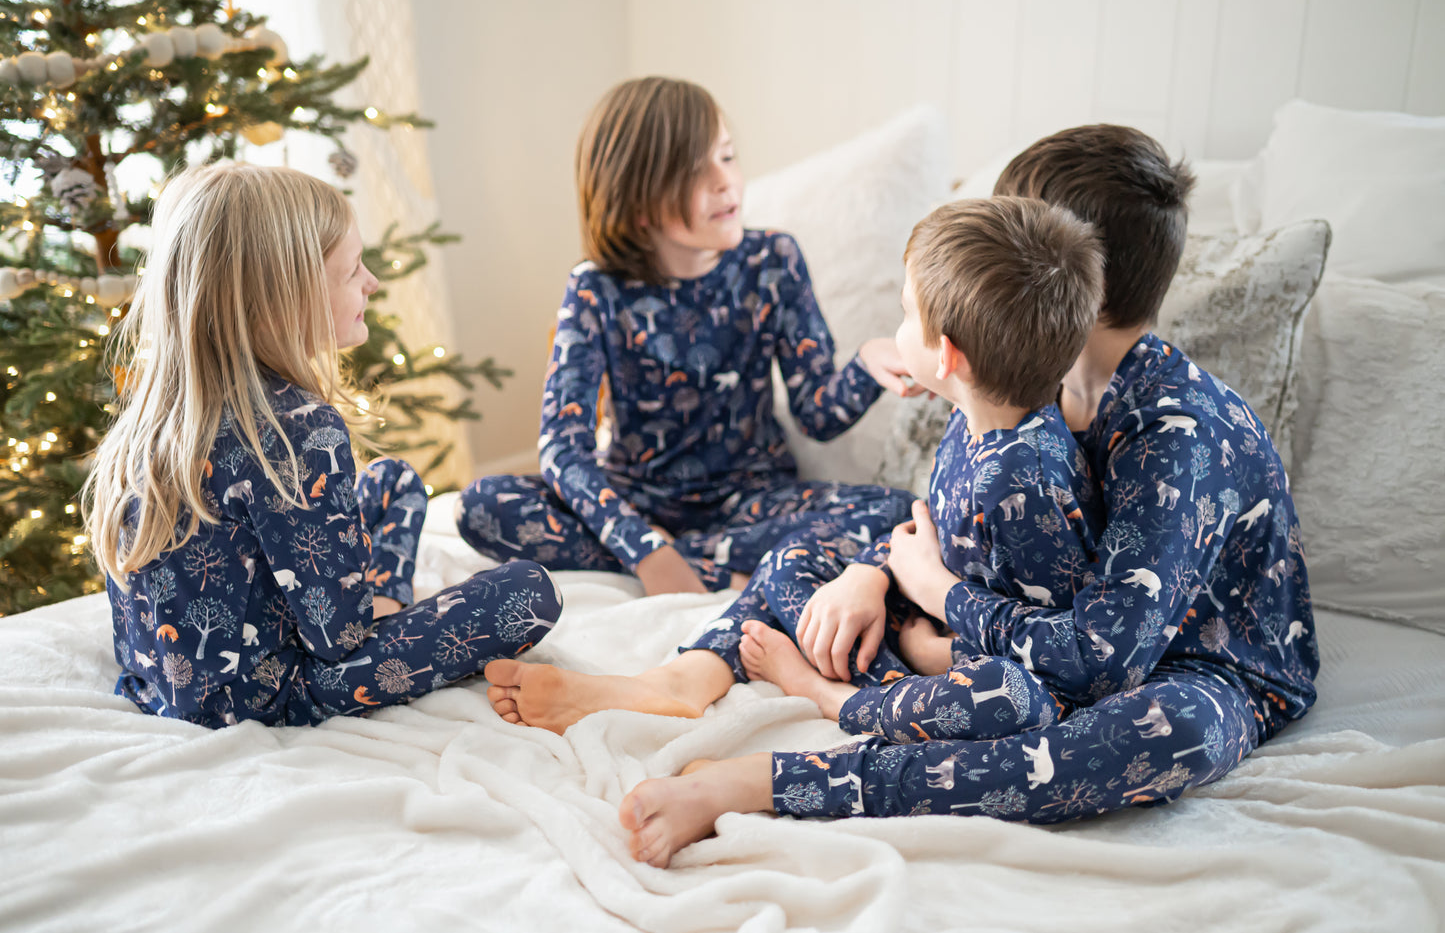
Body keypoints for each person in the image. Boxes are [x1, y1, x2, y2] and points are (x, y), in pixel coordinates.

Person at [616, 125, 1318, 868]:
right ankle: (700, 668)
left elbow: (1102, 661)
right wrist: (875, 573)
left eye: (1013, 230)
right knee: (839, 537)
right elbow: (940, 516)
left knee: (1171, 734)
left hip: (1195, 664)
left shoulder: (1179, 437)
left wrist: (940, 594)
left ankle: (776, 778)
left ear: (1074, 274)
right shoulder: (1023, 374)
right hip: (1035, 629)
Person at [83, 163, 562, 729]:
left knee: (395, 482)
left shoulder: (153, 416)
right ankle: (389, 601)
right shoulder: (299, 429)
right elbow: (338, 638)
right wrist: (372, 613)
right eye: (352, 269)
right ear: (283, 299)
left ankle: (383, 597)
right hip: (265, 698)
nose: (372, 283)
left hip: (157, 685)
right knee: (529, 590)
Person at [455, 76, 920, 598]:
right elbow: (563, 451)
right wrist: (645, 548)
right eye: (698, 170)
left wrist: (866, 362)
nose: (727, 182)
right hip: (636, 501)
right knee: (481, 507)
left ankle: (699, 561)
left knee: (898, 513)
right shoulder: (595, 289)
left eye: (727, 156)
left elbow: (817, 412)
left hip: (753, 502)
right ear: (638, 201)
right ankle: (710, 565)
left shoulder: (773, 262)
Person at [736, 195, 1105, 746]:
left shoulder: (1021, 480)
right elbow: (929, 531)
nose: (899, 325)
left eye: (907, 313)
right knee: (792, 561)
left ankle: (832, 696)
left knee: (1008, 699)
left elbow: (1053, 651)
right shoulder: (970, 417)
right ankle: (868, 664)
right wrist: (870, 578)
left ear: (947, 357)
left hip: (987, 653)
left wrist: (933, 653)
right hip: (932, 608)